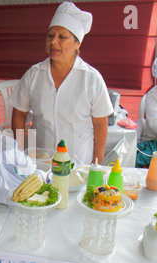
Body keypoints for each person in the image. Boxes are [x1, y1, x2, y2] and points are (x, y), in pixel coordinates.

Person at [9, 1, 113, 165]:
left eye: (62, 37)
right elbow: (19, 113)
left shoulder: (91, 79)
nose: (53, 42)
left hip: (78, 159)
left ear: (77, 43)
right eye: (50, 36)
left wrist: (96, 163)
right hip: (41, 159)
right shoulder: (34, 74)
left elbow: (100, 123)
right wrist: (20, 150)